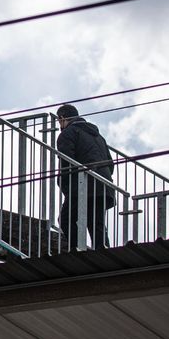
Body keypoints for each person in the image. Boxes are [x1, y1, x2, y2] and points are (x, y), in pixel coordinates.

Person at [55, 104, 114, 249]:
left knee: (66, 219)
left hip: (83, 185)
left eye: (59, 121)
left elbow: (66, 163)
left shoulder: (67, 134)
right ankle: (103, 253)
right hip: (104, 185)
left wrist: (64, 186)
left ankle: (76, 249)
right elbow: (111, 164)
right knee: (96, 223)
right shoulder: (98, 136)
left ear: (62, 119)